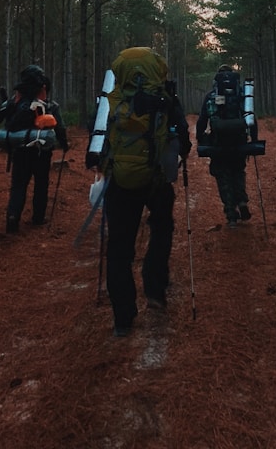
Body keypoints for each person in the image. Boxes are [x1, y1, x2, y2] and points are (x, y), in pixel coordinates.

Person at [102, 48, 192, 337]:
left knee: (118, 248)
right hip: (156, 181)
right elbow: (184, 141)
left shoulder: (112, 100)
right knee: (162, 227)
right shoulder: (165, 99)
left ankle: (123, 319)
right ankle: (155, 288)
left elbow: (101, 140)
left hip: (120, 182)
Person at [0, 64, 69, 234]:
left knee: (18, 185)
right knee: (41, 184)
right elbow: (60, 128)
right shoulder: (48, 104)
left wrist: (9, 101)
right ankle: (38, 218)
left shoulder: (16, 101)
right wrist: (64, 144)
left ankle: (12, 217)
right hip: (41, 152)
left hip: (20, 151)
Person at [196, 64, 256, 228]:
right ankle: (242, 201)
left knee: (223, 177)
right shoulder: (242, 95)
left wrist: (200, 140)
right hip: (239, 142)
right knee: (238, 172)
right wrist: (254, 140)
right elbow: (251, 118)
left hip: (219, 144)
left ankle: (231, 215)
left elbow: (202, 120)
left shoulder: (211, 96)